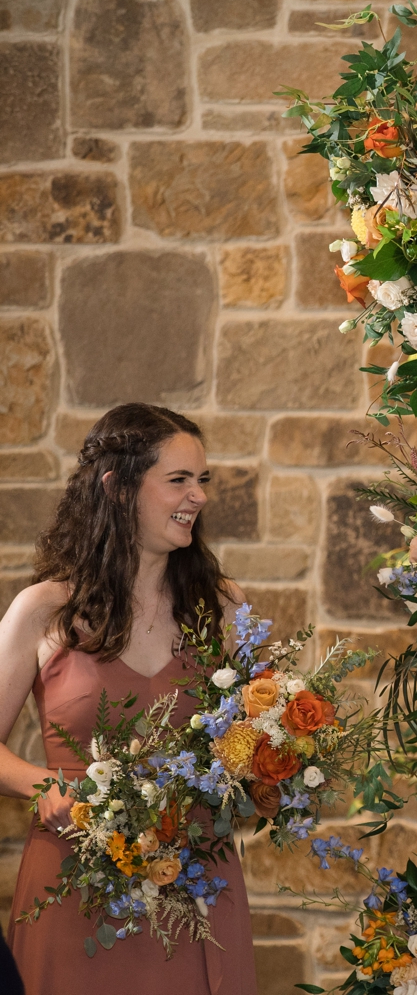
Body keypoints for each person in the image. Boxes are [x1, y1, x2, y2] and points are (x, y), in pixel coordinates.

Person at [0, 403, 256, 994]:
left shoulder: (222, 608)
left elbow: (251, 740)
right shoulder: (45, 611)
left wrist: (276, 767)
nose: (199, 496)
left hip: (194, 888)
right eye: (179, 480)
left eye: (203, 480)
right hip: (74, 886)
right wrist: (44, 787)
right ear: (117, 488)